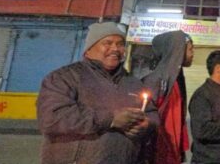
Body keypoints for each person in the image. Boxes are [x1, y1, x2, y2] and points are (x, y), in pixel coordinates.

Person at [37, 22, 159, 164]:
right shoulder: (65, 77)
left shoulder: (133, 83)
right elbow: (52, 118)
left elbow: (152, 114)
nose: (115, 49)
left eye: (120, 44)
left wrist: (146, 125)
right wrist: (111, 119)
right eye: (107, 43)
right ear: (89, 49)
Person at [141, 30, 193, 164]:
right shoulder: (155, 80)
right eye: (190, 49)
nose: (193, 54)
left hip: (172, 149)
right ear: (177, 50)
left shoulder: (176, 80)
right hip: (158, 151)